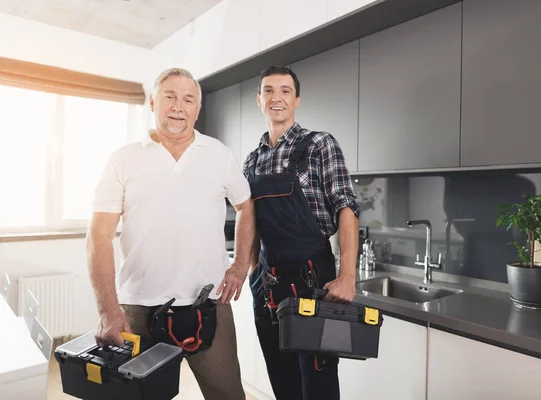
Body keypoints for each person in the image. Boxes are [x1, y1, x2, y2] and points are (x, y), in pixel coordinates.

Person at [87, 67, 254, 400]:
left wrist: (240, 265)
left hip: (209, 305)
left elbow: (246, 207)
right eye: (170, 96)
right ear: (152, 102)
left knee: (228, 396)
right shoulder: (124, 159)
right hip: (138, 309)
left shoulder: (219, 155)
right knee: (138, 396)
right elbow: (98, 236)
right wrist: (108, 310)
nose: (180, 106)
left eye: (188, 99)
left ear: (197, 109)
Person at [242, 65, 360, 400]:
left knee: (318, 380)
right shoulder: (252, 160)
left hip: (314, 278)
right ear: (259, 99)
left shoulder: (319, 144)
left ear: (296, 100)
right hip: (268, 281)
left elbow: (347, 208)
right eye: (268, 91)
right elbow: (249, 219)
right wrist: (252, 271)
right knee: (282, 380)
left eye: (284, 91)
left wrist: (347, 276)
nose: (276, 98)